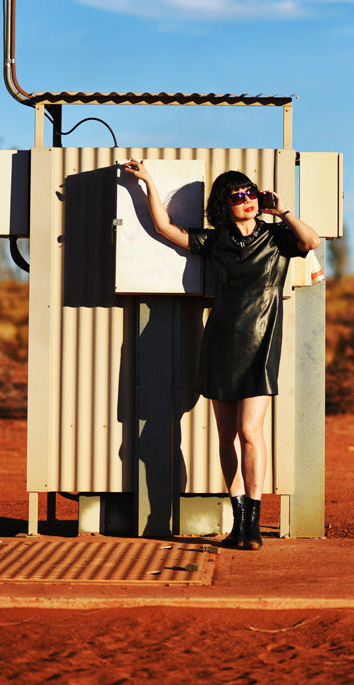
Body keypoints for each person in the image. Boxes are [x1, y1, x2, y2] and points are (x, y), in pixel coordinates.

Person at [123, 161, 320, 549]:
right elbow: (165, 229)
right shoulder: (216, 241)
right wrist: (146, 182)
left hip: (262, 343)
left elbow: (311, 242)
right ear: (224, 205)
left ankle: (255, 522)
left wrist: (282, 211)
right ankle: (238, 522)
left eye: (250, 192)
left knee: (249, 431)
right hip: (220, 342)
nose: (246, 200)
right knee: (226, 435)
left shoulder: (278, 236)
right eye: (237, 196)